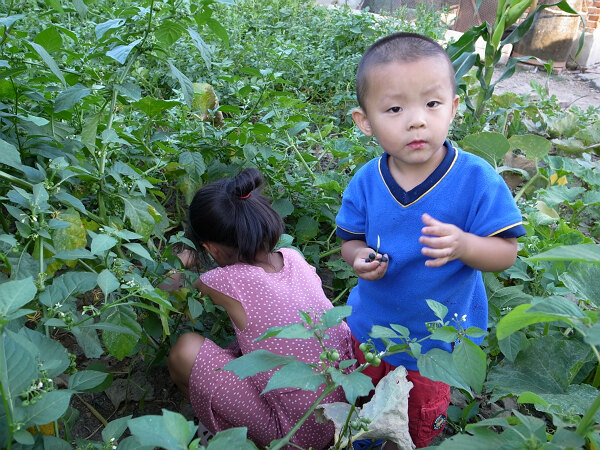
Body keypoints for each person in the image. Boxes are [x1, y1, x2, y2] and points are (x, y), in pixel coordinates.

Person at [335, 32, 526, 448]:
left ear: (454, 108)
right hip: (370, 333)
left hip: (437, 345)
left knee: (416, 430)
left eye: (432, 103)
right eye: (395, 108)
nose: (416, 119)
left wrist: (465, 246)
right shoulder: (368, 180)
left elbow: (506, 253)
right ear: (365, 120)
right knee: (361, 417)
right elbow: (349, 240)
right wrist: (359, 256)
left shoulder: (476, 180)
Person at [166, 168, 355, 449]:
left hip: (295, 436)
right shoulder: (294, 258)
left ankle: (222, 430)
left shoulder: (226, 280)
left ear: (212, 249)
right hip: (345, 412)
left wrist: (184, 259)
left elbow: (165, 293)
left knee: (185, 351)